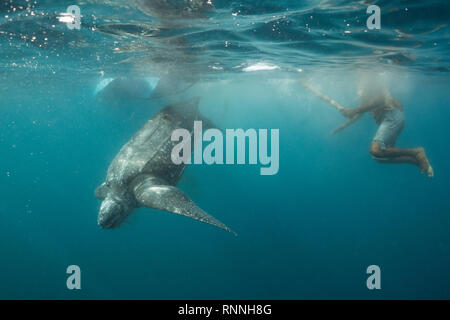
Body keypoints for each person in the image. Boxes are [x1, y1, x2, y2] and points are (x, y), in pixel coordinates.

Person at [339, 84, 434, 178]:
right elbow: (359, 112)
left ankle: (416, 152)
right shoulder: (363, 91)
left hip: (391, 117)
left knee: (375, 150)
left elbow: (380, 98)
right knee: (379, 157)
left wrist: (355, 111)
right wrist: (346, 120)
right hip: (390, 119)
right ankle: (417, 162)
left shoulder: (369, 80)